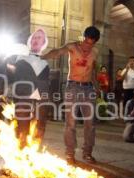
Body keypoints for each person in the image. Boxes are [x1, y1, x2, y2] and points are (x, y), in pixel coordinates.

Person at [42, 26, 100, 164]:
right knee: (71, 123)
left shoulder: (95, 52)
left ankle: (87, 153)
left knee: (90, 123)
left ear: (95, 43)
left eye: (91, 43)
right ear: (83, 37)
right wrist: (42, 57)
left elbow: (93, 70)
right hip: (72, 87)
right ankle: (70, 153)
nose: (87, 45)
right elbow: (57, 52)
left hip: (88, 89)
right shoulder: (72, 47)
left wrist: (96, 87)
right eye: (86, 41)